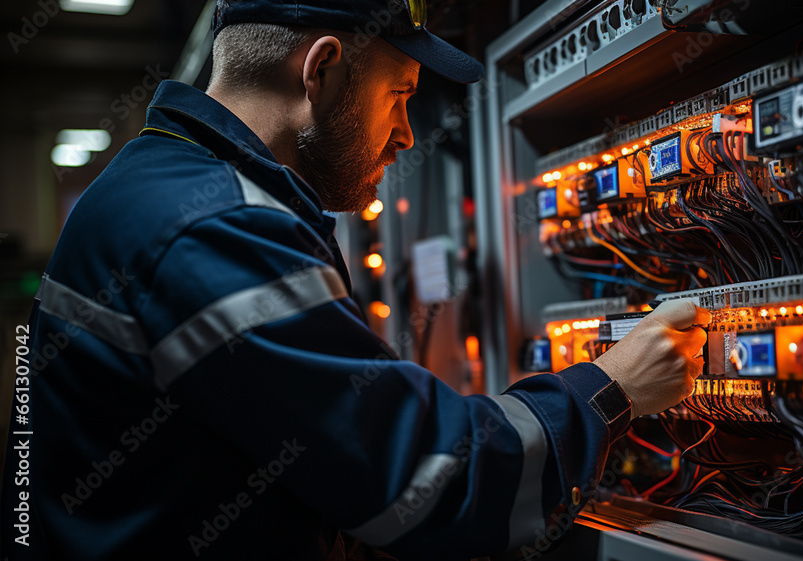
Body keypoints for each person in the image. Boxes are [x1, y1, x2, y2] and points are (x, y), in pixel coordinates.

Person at [0, 1, 708, 559]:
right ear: (323, 70)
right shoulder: (216, 226)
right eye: (400, 94)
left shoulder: (151, 181)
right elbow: (426, 483)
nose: (405, 132)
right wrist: (611, 389)